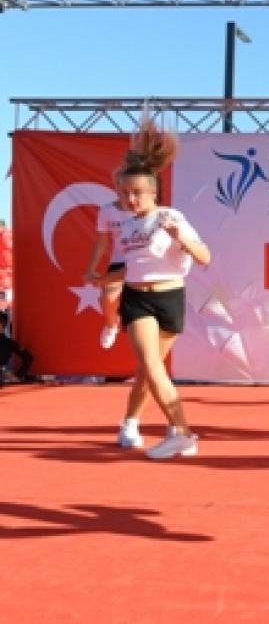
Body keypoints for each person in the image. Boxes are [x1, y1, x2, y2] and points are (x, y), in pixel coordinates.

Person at [88, 118, 211, 459]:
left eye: (137, 193)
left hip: (169, 298)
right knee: (151, 366)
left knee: (147, 371)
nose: (130, 199)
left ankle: (131, 422)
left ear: (153, 193)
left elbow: (205, 257)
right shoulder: (126, 225)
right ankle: (181, 432)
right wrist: (102, 280)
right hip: (137, 299)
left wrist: (181, 238)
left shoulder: (171, 218)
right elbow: (132, 267)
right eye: (124, 193)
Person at [85, 172, 131, 350]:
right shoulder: (107, 211)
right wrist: (91, 269)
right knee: (108, 295)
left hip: (143, 262)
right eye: (120, 186)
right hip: (119, 262)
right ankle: (111, 325)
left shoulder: (145, 210)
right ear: (116, 187)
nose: (125, 192)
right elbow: (102, 241)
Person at [0, 310, 33, 384]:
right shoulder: (9, 343)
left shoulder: (9, 343)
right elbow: (28, 358)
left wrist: (18, 375)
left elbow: (28, 357)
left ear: (2, 325)